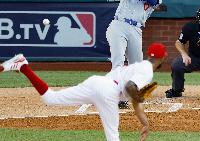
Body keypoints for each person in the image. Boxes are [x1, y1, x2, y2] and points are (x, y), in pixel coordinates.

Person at [0, 42, 167, 141]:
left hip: (96, 82)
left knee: (51, 98)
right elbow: (131, 87)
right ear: (162, 58)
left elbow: (134, 98)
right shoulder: (147, 70)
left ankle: (23, 65)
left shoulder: (136, 66)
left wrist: (145, 123)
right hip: (109, 91)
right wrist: (139, 97)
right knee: (113, 136)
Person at [106, 0, 164, 70]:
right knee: (118, 61)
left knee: (137, 65)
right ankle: (114, 84)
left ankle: (134, 84)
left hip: (136, 29)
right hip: (119, 25)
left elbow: (152, 1)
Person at [165, 3, 200, 98]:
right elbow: (179, 42)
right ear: (199, 15)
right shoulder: (190, 26)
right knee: (177, 64)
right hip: (194, 58)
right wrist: (184, 54)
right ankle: (177, 90)